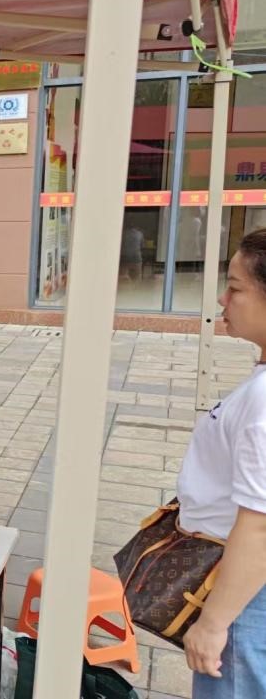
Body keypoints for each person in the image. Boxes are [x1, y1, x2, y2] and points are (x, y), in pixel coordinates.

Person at [176, 229, 266, 698]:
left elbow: (261, 524)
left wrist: (213, 624)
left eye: (235, 287)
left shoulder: (263, 403)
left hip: (245, 596)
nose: (222, 299)